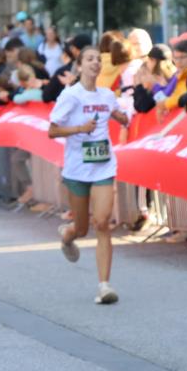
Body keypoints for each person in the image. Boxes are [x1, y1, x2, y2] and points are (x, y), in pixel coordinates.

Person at [49, 47, 130, 304]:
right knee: (82, 229)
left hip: (103, 166)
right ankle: (68, 235)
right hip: (77, 169)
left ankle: (104, 286)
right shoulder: (70, 95)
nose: (95, 63)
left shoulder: (107, 95)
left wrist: (122, 117)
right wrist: (80, 129)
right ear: (79, 65)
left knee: (102, 222)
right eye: (90, 59)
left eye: (98, 59)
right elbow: (52, 131)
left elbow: (119, 115)